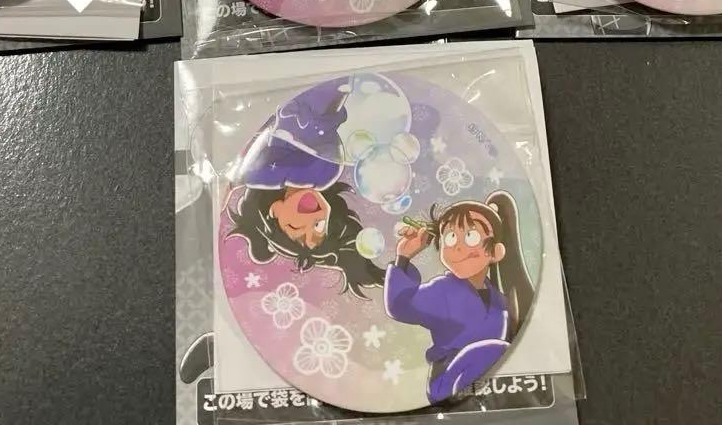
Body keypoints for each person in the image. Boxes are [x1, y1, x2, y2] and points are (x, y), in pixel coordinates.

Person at [224, 76, 384, 296]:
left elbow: (256, 170)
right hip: (323, 100)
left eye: (297, 229)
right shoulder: (326, 174)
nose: (312, 220)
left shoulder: (269, 176)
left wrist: (231, 184)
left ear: (275, 210)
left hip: (293, 99)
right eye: (319, 227)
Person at [386, 192, 534, 402]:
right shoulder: (442, 290)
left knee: (501, 353)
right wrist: (404, 257)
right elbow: (400, 306)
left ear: (496, 252)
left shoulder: (502, 302)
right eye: (450, 237)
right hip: (448, 382)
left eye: (471, 236)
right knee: (495, 350)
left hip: (487, 386)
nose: (457, 245)